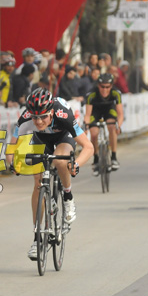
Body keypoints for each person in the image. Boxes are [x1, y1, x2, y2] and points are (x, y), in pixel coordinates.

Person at [12, 88, 93, 259]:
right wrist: (14, 162)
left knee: (60, 161)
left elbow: (88, 147)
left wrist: (76, 164)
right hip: (41, 140)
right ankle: (37, 238)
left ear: (51, 112)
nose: (39, 121)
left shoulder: (64, 116)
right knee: (37, 183)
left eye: (43, 116)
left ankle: (68, 196)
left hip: (63, 137)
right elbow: (12, 147)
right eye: (35, 117)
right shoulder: (25, 118)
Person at [84, 72, 124, 173]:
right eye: (102, 87)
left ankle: (114, 157)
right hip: (95, 111)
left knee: (112, 127)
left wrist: (118, 125)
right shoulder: (91, 93)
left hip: (109, 110)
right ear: (98, 85)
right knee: (94, 133)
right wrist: (86, 127)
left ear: (111, 86)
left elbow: (120, 114)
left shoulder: (116, 93)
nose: (105, 89)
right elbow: (88, 115)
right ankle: (96, 159)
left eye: (108, 87)